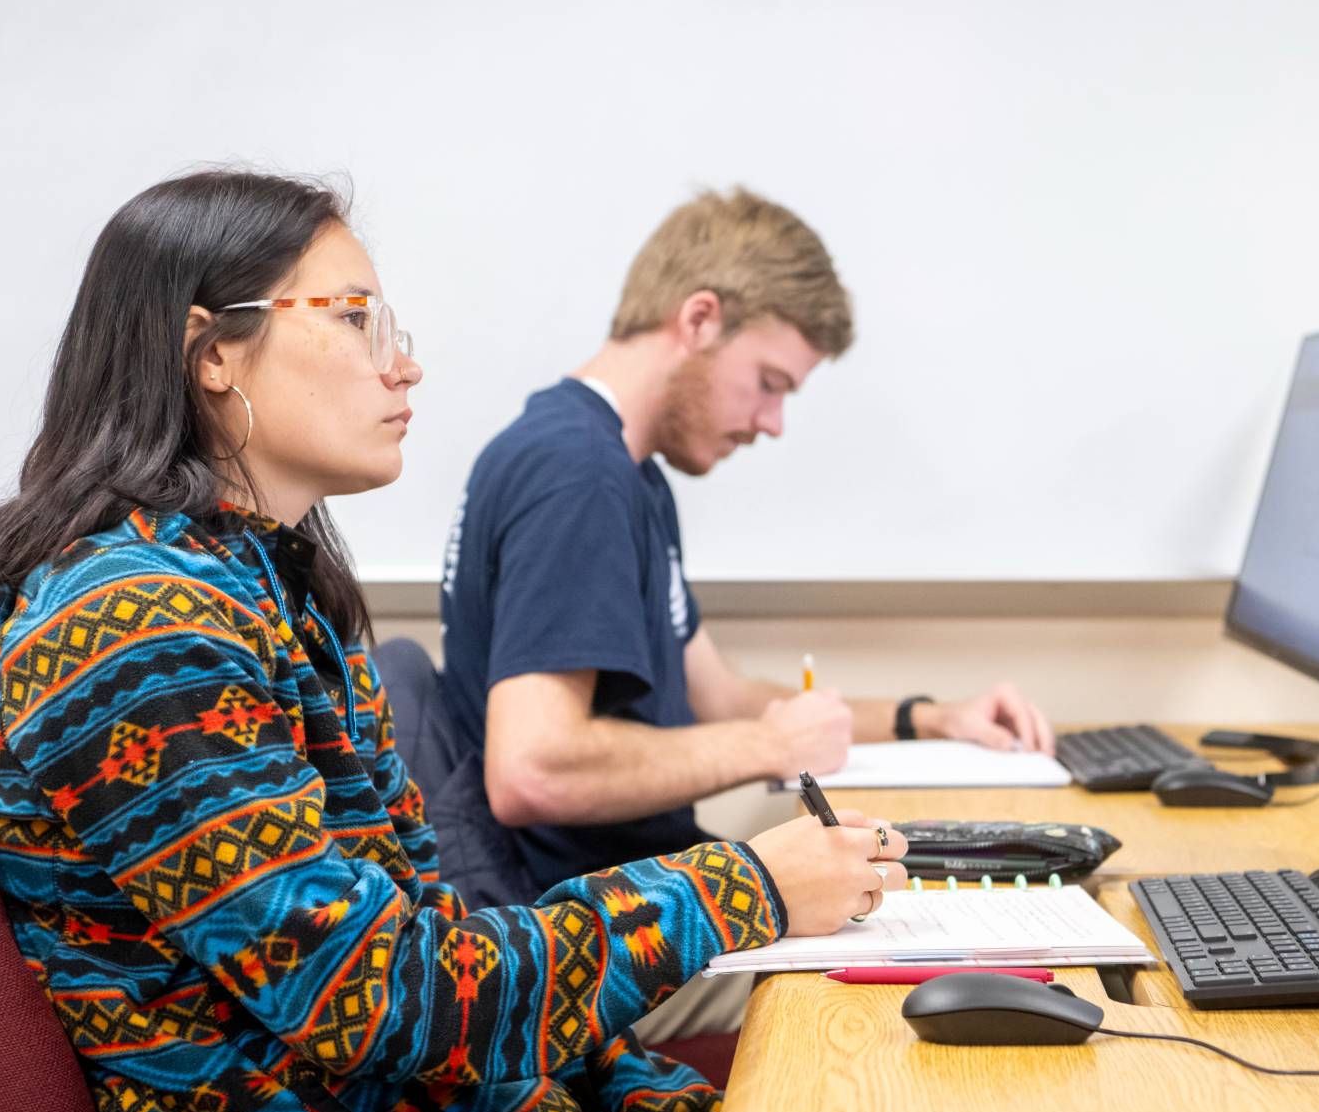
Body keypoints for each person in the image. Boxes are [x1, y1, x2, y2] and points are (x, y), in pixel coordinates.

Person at [0, 169, 954, 1112]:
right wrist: (741, 889)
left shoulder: (268, 589)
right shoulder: (136, 631)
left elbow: (431, 945)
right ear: (210, 351)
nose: (401, 361)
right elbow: (393, 998)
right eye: (354, 319)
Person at [438, 188, 1056, 932]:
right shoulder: (578, 475)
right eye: (769, 384)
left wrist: (927, 717)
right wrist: (770, 745)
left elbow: (721, 696)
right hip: (593, 938)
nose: (772, 423)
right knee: (919, 949)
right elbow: (531, 770)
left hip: (651, 899)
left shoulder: (627, 474)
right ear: (698, 319)